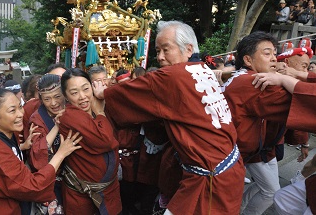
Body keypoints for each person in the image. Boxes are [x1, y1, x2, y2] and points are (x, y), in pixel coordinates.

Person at [93, 20, 245, 215]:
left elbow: (126, 94)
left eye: (166, 49)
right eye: (157, 51)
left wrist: (103, 94)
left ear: (189, 49)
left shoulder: (172, 76)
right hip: (227, 164)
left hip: (211, 177)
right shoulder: (203, 69)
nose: (160, 57)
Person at [0, 88, 82, 215]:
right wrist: (61, 153)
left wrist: (24, 145)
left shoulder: (5, 133)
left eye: (20, 107)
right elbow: (32, 186)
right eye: (12, 110)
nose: (21, 114)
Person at [222, 31, 293, 214]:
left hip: (241, 152)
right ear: (247, 60)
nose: (274, 59)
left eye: (274, 54)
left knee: (267, 188)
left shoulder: (241, 76)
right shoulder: (253, 82)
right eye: (267, 53)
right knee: (270, 191)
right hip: (232, 155)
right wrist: (288, 79)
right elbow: (300, 101)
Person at [252, 70, 316, 215]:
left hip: (270, 147)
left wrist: (286, 80)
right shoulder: (252, 82)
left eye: (306, 66)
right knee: (276, 193)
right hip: (255, 147)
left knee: (271, 189)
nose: (274, 60)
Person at [59, 68, 121, 215]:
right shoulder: (69, 116)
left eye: (86, 89)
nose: (82, 97)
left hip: (109, 189)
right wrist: (100, 113)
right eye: (74, 93)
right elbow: (105, 141)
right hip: (81, 194)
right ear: (66, 96)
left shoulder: (98, 104)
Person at [28, 74, 68, 213]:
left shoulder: (72, 108)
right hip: (52, 181)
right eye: (47, 99)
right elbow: (38, 154)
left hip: (75, 178)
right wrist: (57, 125)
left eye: (57, 96)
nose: (53, 103)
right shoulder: (37, 118)